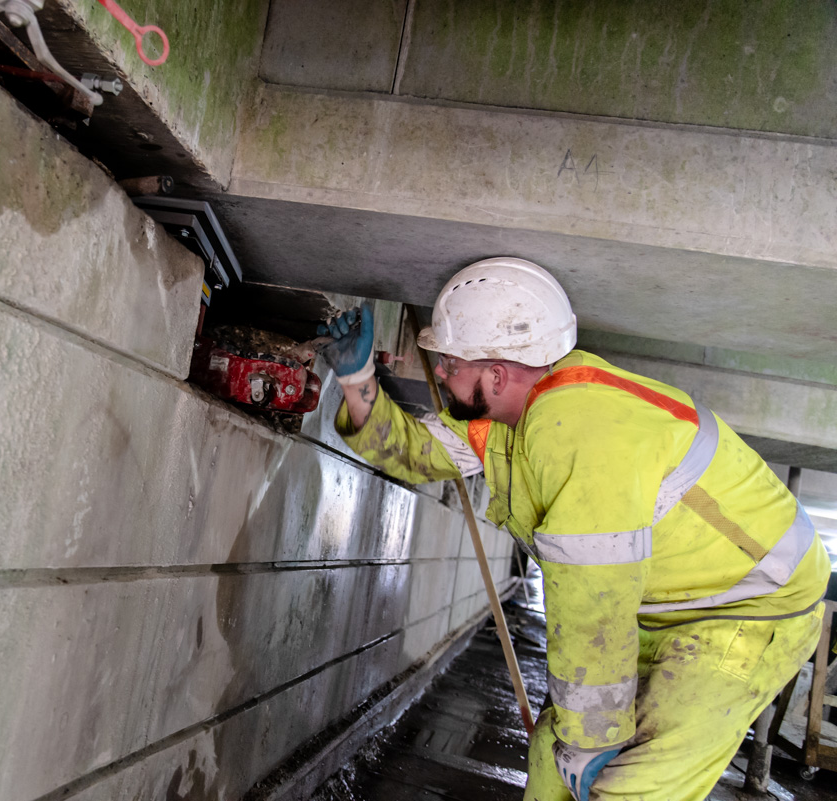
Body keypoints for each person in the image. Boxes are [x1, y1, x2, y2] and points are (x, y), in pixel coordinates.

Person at [319, 257, 828, 801]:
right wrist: (356, 380)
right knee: (549, 756)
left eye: (448, 361)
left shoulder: (582, 433)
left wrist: (589, 741)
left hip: (747, 613)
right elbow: (419, 454)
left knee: (628, 786)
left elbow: (594, 603)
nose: (438, 373)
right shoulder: (510, 418)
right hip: (662, 608)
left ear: (496, 374)